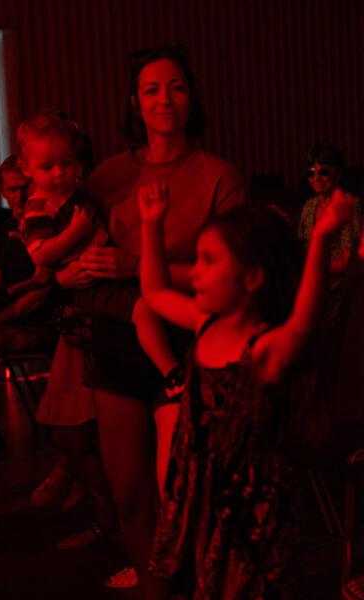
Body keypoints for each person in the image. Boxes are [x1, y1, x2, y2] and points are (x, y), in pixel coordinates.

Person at [55, 44, 245, 597]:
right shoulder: (108, 175)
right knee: (130, 495)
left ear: (192, 99)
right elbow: (70, 250)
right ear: (135, 103)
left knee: (182, 496)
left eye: (176, 87)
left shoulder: (218, 176)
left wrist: (135, 264)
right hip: (117, 341)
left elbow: (230, 274)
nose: (165, 99)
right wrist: (71, 272)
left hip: (187, 342)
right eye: (152, 90)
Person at [138, 181, 356, 598]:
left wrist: (321, 239)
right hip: (201, 491)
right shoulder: (205, 325)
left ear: (253, 277)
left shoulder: (264, 349)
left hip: (251, 507)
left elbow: (304, 324)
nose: (194, 273)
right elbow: (155, 292)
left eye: (208, 261)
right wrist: (152, 225)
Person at [16, 111, 188, 399]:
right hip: (92, 281)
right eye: (47, 167)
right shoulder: (37, 209)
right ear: (26, 168)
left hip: (106, 267)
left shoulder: (72, 189)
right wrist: (75, 231)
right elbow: (40, 255)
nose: (59, 173)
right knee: (144, 308)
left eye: (66, 163)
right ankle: (171, 372)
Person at [0, 156, 59, 452]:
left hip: (38, 326)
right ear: (2, 191)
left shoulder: (45, 225)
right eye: (11, 189)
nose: (17, 196)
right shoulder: (7, 226)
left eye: (23, 187)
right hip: (8, 321)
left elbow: (35, 300)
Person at [297, 142, 362, 330]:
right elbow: (300, 247)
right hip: (308, 282)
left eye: (323, 171)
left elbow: (349, 261)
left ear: (339, 174)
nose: (316, 178)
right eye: (311, 172)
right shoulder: (309, 205)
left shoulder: (347, 204)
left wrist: (313, 269)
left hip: (335, 288)